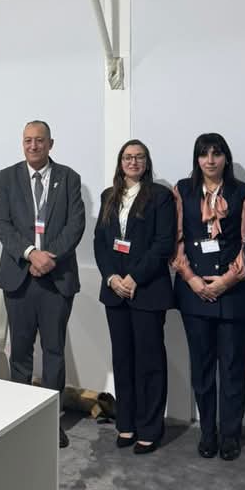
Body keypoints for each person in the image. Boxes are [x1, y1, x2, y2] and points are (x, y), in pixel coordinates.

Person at [0, 120, 85, 449]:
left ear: (50, 143)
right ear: (23, 143)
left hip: (56, 279)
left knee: (54, 352)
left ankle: (50, 421)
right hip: (19, 276)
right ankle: (20, 420)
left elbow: (76, 224)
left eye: (40, 140)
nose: (33, 146)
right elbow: (1, 222)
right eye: (28, 140)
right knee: (19, 352)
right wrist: (31, 254)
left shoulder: (69, 178)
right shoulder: (8, 176)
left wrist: (49, 257)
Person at [172, 133, 245, 461]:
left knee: (233, 368)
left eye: (216, 154)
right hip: (193, 294)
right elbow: (176, 240)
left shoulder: (244, 193)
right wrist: (191, 279)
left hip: (234, 293)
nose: (210, 160)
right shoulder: (182, 190)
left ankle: (230, 435)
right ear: (196, 159)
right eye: (204, 154)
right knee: (202, 367)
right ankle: (207, 432)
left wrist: (227, 280)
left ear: (226, 158)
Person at [94, 140, 175, 453]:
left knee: (149, 361)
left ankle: (150, 428)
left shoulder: (160, 196)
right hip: (115, 292)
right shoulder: (108, 196)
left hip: (147, 291)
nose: (133, 162)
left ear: (147, 162)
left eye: (139, 157)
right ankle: (126, 423)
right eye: (128, 157)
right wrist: (112, 278)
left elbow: (163, 243)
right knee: (123, 360)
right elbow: (101, 243)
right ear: (120, 163)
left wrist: (134, 278)